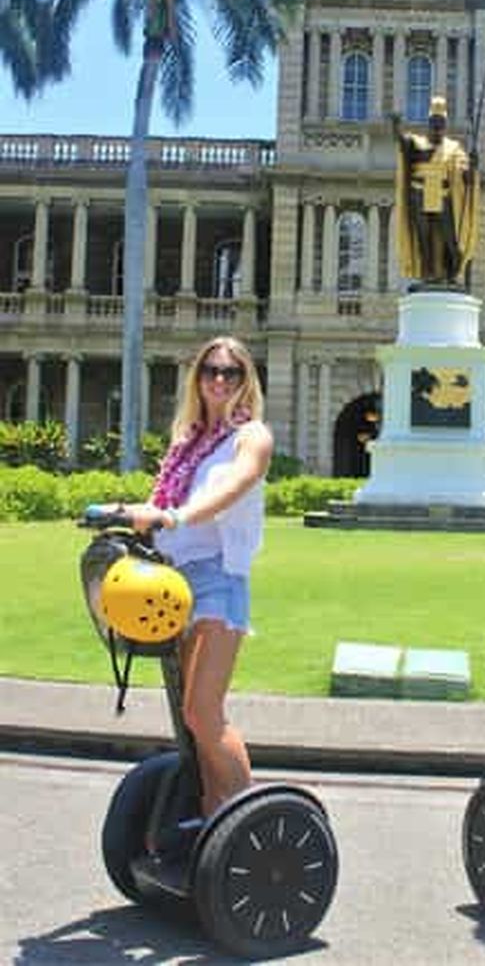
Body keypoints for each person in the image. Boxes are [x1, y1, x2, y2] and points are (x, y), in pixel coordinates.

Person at [119, 335, 273, 816]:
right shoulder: (187, 442)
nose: (220, 380)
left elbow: (233, 487)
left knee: (203, 712)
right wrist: (139, 513)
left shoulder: (252, 437)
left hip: (218, 579)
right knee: (191, 719)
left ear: (247, 381)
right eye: (211, 370)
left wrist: (177, 518)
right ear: (198, 378)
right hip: (175, 583)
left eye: (232, 372)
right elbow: (162, 500)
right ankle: (213, 818)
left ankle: (252, 822)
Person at [392, 94, 479, 285]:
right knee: (424, 238)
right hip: (419, 194)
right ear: (429, 123)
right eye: (434, 122)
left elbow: (464, 175)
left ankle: (453, 272)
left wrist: (472, 168)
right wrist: (396, 125)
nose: (438, 126)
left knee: (450, 237)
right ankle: (427, 274)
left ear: (445, 124)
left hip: (443, 195)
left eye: (441, 122)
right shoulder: (417, 142)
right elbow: (401, 141)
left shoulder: (453, 148)